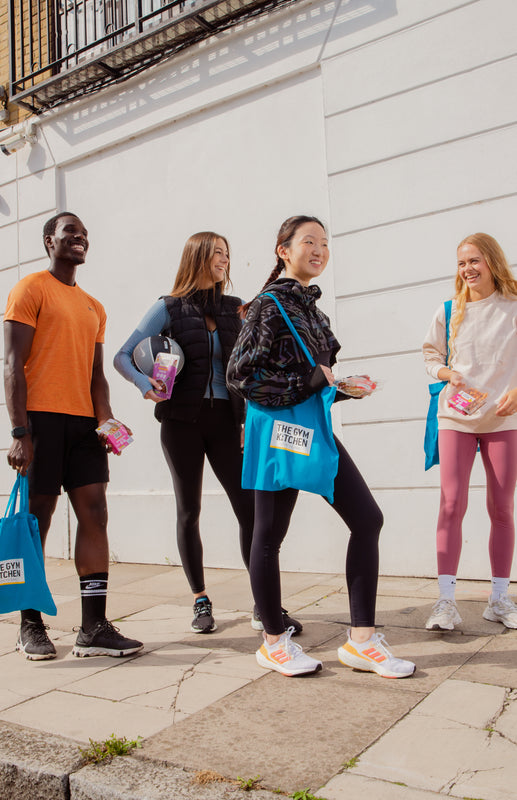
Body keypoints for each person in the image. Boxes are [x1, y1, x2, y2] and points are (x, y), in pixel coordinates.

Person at [227, 215, 416, 678]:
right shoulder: (268, 307)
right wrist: (306, 381)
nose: (319, 250)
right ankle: (273, 642)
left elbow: (319, 375)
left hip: (311, 429)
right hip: (278, 433)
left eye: (325, 244)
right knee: (268, 534)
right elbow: (240, 375)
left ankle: (361, 641)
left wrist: (341, 386)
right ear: (283, 250)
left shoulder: (313, 309)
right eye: (308, 241)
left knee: (367, 519)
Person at [114, 231, 301, 635]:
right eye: (217, 253)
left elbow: (252, 366)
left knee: (249, 510)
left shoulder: (236, 309)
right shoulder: (167, 307)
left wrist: (249, 418)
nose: (225, 260)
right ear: (198, 257)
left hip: (227, 423)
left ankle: (263, 603)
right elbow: (122, 355)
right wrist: (145, 386)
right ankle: (200, 599)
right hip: (181, 422)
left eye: (227, 254)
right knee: (189, 511)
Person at [3, 212, 143, 661]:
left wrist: (106, 422)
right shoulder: (30, 290)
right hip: (41, 422)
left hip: (83, 425)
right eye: (70, 232)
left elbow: (96, 375)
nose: (80, 237)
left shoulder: (94, 306)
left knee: (95, 513)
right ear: (50, 241)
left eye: (84, 233)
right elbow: (11, 365)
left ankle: (94, 626)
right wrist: (20, 432)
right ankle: (30, 624)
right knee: (37, 520)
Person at [423, 233, 517, 631]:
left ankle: (499, 597)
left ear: (493, 261)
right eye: (462, 263)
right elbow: (429, 354)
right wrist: (447, 373)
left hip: (502, 417)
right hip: (456, 417)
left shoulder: (513, 307)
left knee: (501, 507)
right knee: (451, 504)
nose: (468, 269)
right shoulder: (449, 309)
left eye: (475, 261)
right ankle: (446, 601)